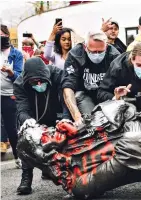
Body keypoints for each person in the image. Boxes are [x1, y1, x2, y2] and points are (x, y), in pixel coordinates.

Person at [14, 57, 70, 195]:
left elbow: (67, 99)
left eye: (41, 81)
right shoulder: (19, 84)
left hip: (57, 112)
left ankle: (69, 176)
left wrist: (66, 118)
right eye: (34, 82)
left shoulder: (58, 75)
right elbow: (22, 109)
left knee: (67, 140)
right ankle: (26, 178)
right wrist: (27, 120)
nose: (39, 84)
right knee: (25, 139)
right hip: (34, 117)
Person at [62, 30, 120, 125]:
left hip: (107, 94)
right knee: (92, 123)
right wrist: (76, 115)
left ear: (106, 46)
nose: (97, 55)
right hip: (84, 94)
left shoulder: (114, 56)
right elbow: (68, 86)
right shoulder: (75, 55)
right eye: (93, 51)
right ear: (85, 47)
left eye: (101, 51)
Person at [0, 25, 23, 167]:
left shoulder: (17, 54)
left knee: (11, 128)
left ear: (7, 36)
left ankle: (17, 156)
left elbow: (20, 76)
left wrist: (10, 72)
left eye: (2, 35)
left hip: (9, 95)